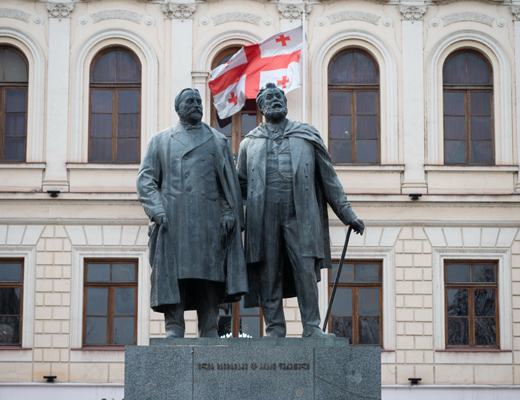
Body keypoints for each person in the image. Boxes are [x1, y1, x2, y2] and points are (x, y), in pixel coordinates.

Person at [237, 83, 365, 338]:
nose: (275, 100)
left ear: (285, 103)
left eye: (279, 97)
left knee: (305, 269)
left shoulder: (306, 135)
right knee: (268, 272)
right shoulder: (249, 143)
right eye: (269, 98)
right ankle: (274, 329)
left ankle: (311, 327)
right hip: (263, 217)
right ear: (261, 107)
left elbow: (329, 179)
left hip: (300, 214)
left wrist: (347, 214)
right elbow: (239, 184)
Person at [137, 88, 247, 338]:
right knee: (173, 275)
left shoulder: (218, 140)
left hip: (209, 220)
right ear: (178, 108)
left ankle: (209, 328)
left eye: (199, 101)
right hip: (172, 220)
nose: (197, 104)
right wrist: (157, 210)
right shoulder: (161, 140)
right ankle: (174, 328)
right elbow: (145, 180)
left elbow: (227, 184)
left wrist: (229, 212)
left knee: (209, 277)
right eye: (190, 101)